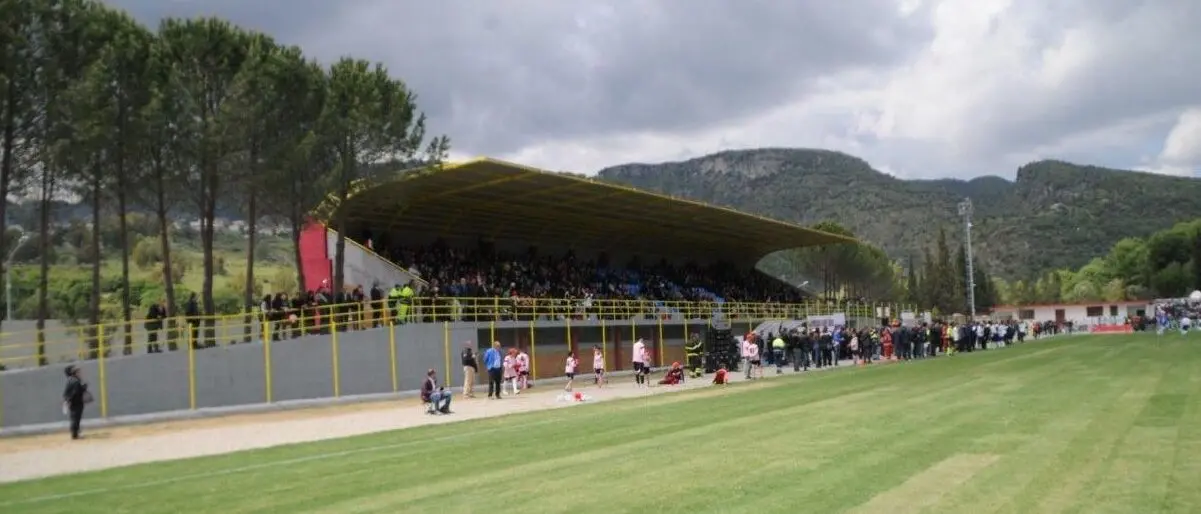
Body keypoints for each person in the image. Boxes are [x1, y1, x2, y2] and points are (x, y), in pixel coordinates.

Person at [62, 365, 91, 440]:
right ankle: (75, 434)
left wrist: (67, 400)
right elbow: (76, 392)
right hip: (76, 402)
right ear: (74, 373)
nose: (79, 373)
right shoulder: (75, 381)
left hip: (74, 402)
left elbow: (68, 392)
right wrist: (84, 387)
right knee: (75, 418)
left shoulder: (71, 380)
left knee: (74, 418)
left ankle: (75, 432)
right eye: (78, 372)